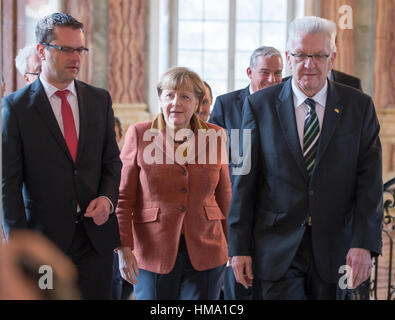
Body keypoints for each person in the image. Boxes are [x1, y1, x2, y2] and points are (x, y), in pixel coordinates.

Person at [228, 16, 383, 300]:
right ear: (288, 57)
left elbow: (369, 182)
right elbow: (243, 180)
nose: (309, 64)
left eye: (319, 56)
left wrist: (363, 243)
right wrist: (238, 247)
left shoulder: (359, 106)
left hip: (338, 248)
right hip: (276, 247)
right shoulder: (258, 105)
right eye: (300, 55)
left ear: (332, 58)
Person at [2, 13, 122, 299]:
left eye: (80, 49)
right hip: (44, 245)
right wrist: (22, 249)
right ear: (42, 51)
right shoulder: (16, 108)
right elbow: (8, 184)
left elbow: (112, 162)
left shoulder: (99, 100)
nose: (76, 57)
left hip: (95, 241)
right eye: (66, 49)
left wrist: (107, 199)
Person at [116, 66, 231, 300]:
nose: (176, 102)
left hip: (207, 247)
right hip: (152, 248)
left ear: (198, 103)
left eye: (185, 96)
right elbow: (123, 197)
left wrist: (235, 247)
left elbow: (225, 195)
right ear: (160, 99)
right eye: (169, 95)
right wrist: (123, 247)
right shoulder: (139, 133)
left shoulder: (216, 135)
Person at [209, 45, 283, 300]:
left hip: (275, 212)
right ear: (250, 72)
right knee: (237, 287)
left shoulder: (286, 104)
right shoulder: (226, 104)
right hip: (236, 207)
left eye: (278, 73)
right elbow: (213, 158)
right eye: (265, 72)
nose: (272, 80)